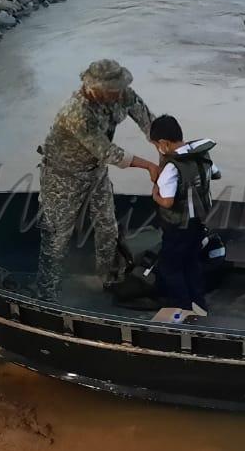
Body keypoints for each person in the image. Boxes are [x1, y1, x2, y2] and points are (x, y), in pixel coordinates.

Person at [37, 59, 156, 300]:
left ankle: (110, 278)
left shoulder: (121, 94)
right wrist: (149, 166)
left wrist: (167, 147)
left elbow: (148, 121)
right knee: (57, 237)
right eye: (113, 90)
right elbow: (108, 152)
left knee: (107, 227)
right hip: (63, 178)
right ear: (94, 88)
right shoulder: (76, 112)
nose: (119, 94)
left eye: (120, 88)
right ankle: (46, 294)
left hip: (96, 172)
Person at [149, 115, 218, 315]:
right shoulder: (203, 157)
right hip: (198, 223)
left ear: (164, 143)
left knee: (170, 268)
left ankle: (182, 308)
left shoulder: (172, 167)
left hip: (177, 226)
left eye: (156, 146)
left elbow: (168, 201)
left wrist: (155, 195)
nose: (158, 150)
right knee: (192, 263)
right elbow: (216, 174)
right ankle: (199, 305)